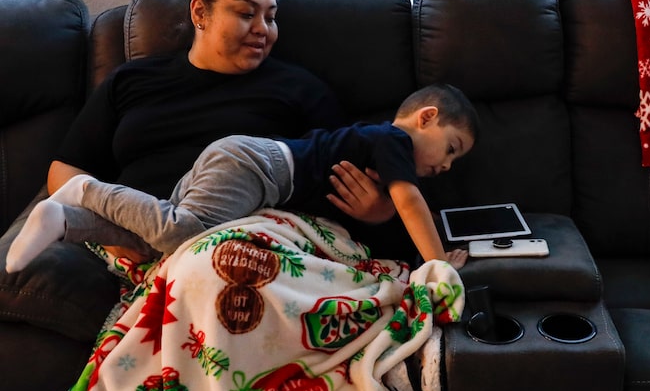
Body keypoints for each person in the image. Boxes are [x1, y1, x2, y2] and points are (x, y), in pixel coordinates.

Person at [1, 0, 395, 274]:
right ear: (200, 14)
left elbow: (345, 173)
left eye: (271, 17)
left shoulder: (299, 90)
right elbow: (64, 169)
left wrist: (376, 214)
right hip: (138, 240)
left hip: (249, 243)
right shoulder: (132, 81)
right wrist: (112, 231)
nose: (263, 28)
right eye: (246, 13)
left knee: (220, 265)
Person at [7, 84, 477, 272]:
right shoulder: (392, 141)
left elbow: (395, 217)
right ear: (425, 117)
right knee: (184, 230)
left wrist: (407, 243)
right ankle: (86, 190)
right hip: (257, 166)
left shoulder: (383, 153)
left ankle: (65, 220)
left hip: (242, 167)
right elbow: (411, 203)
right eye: (450, 148)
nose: (447, 166)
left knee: (158, 245)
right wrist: (436, 268)